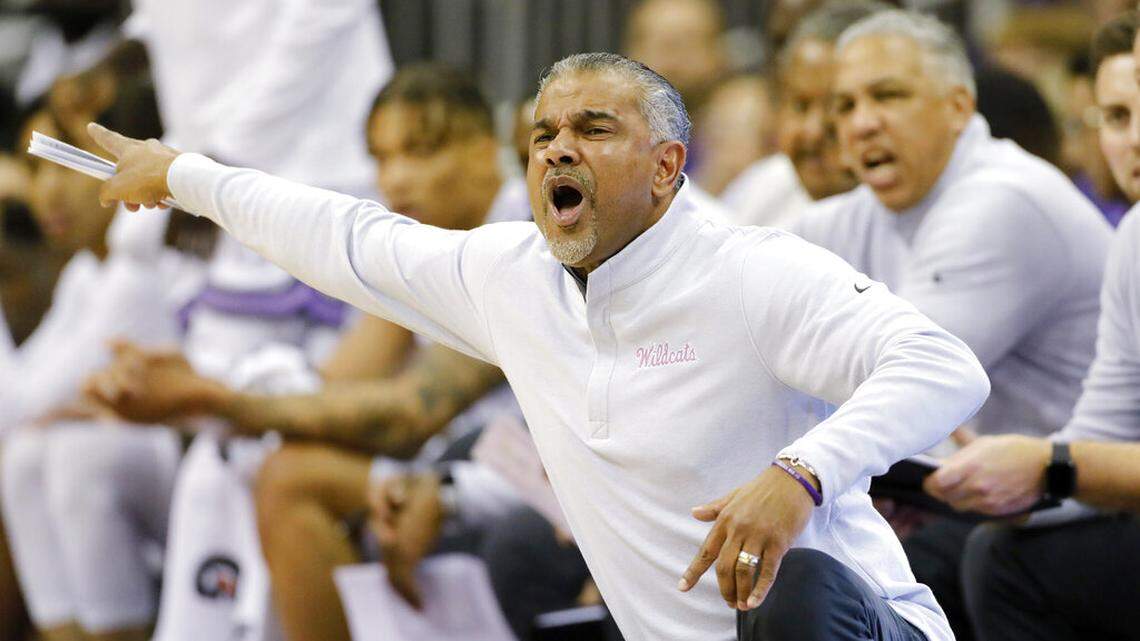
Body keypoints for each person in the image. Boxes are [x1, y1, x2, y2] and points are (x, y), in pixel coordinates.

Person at [90, 50, 990, 641]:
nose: (560, 148)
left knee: (799, 596)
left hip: (862, 626)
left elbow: (944, 366)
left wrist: (799, 474)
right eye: (545, 134)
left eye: (594, 130)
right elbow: (348, 238)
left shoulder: (751, 272)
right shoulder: (510, 276)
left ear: (668, 166)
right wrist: (182, 175)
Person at [84, 63, 535, 641]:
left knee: (291, 478)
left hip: (539, 492)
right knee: (235, 458)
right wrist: (203, 396)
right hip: (466, 469)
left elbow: (407, 414)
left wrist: (218, 401)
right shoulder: (418, 244)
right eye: (380, 158)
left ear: (485, 150)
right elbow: (334, 391)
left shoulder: (517, 246)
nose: (395, 180)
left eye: (420, 152)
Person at [790, 10, 1112, 640]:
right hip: (973, 503)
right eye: (845, 104)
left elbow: (904, 392)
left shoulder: (1002, 199)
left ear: (959, 105)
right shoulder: (855, 214)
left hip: (1080, 505)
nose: (862, 122)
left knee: (818, 573)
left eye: (889, 95)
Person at [922, 12, 1140, 641]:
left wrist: (1051, 466)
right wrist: (1008, 489)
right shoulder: (1133, 241)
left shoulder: (1005, 201)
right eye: (1117, 118)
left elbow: (1076, 459)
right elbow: (1106, 429)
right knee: (988, 547)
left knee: (1001, 563)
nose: (1134, 139)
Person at [719, 0, 883, 228]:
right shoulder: (760, 189)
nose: (812, 131)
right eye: (800, 105)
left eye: (837, 105)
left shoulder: (907, 214)